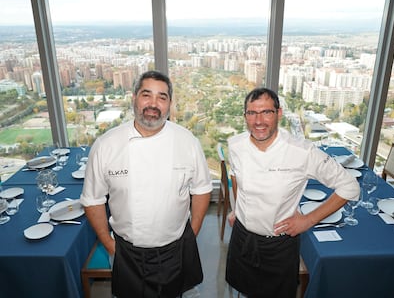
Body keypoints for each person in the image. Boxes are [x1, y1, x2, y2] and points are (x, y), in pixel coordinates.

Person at [80, 70, 212, 298]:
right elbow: (93, 200)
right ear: (134, 98)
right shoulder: (106, 145)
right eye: (146, 95)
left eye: (162, 97)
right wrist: (110, 245)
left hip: (176, 249)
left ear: (170, 103)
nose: (153, 104)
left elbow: (201, 189)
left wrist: (193, 231)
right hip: (127, 253)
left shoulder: (187, 142)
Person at [225, 87, 360, 298]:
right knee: (244, 291)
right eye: (252, 113)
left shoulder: (302, 152)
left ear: (278, 113)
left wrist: (309, 220)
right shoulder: (236, 145)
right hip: (242, 237)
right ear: (245, 116)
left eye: (266, 112)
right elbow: (236, 176)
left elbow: (350, 186)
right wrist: (236, 209)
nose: (258, 121)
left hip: (278, 245)